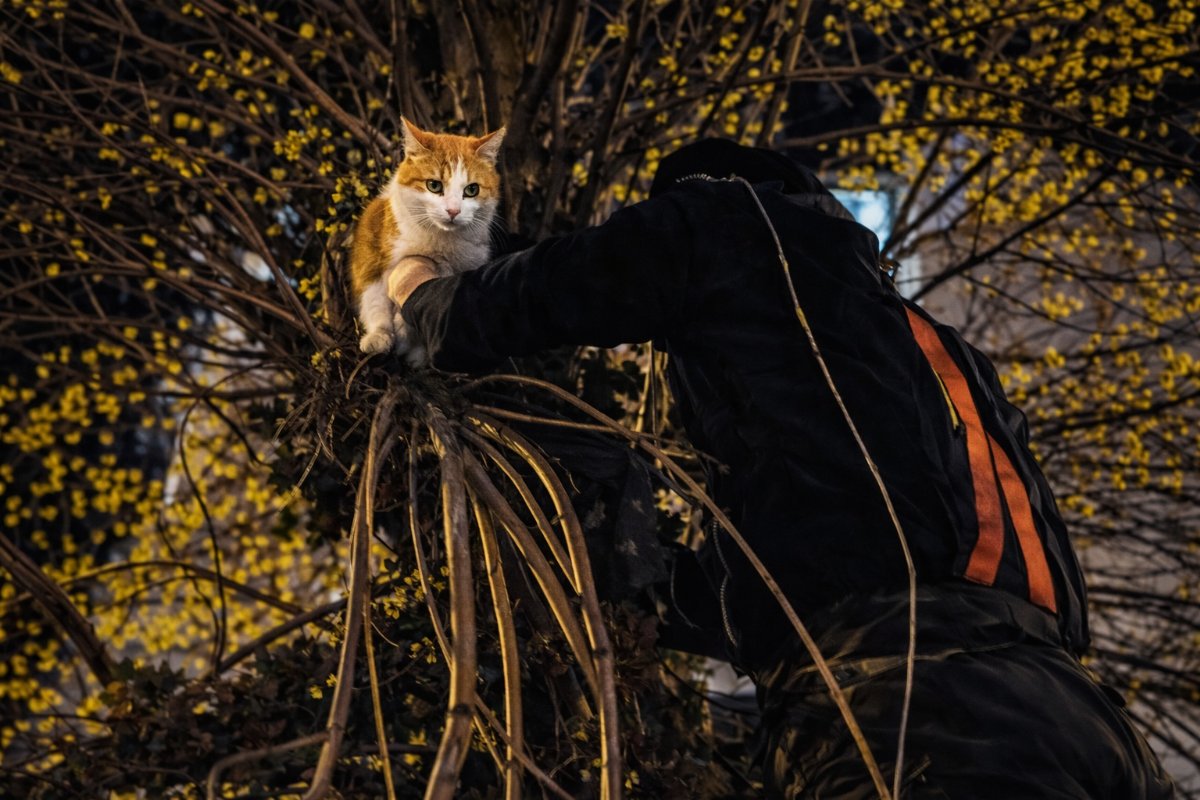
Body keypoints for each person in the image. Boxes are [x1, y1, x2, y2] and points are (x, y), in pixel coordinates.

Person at [387, 139, 1176, 799]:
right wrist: (649, 587)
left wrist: (424, 295)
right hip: (1082, 716)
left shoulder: (734, 217)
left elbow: (567, 284)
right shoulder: (929, 355)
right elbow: (823, 560)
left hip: (920, 710)